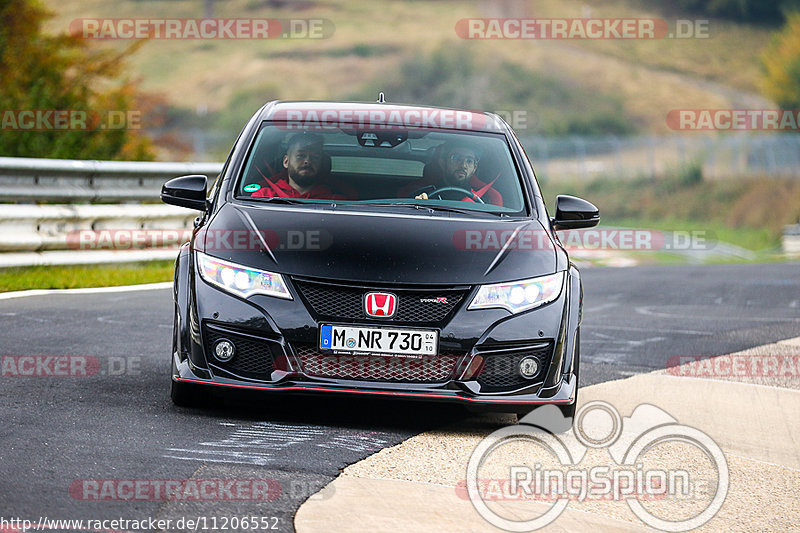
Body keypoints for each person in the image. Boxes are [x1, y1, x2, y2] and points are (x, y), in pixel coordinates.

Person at [251, 133, 354, 200]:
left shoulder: (336, 201)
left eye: (315, 157)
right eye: (300, 156)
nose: (307, 161)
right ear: (286, 161)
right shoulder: (263, 196)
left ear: (321, 164)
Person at [397, 141, 502, 206]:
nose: (463, 165)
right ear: (442, 163)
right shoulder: (421, 196)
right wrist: (418, 206)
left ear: (474, 168)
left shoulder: (484, 202)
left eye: (469, 161)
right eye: (456, 158)